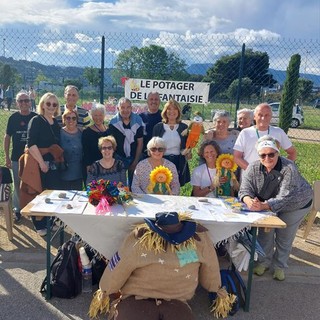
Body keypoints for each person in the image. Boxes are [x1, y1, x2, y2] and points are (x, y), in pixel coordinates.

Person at [89, 211, 232, 320]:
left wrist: (106, 289)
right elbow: (211, 270)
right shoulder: (198, 239)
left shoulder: (140, 239)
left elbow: (119, 267)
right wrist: (216, 288)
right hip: (177, 303)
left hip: (135, 301)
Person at [238, 135, 312, 281]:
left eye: (271, 154)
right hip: (267, 204)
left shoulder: (289, 167)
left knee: (284, 235)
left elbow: (285, 197)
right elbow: (244, 190)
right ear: (258, 155)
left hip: (296, 204)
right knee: (265, 231)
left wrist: (263, 206)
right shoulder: (253, 167)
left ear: (278, 152)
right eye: (263, 155)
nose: (267, 158)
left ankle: (279, 266)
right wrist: (248, 201)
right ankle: (263, 262)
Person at [22, 92, 63, 236]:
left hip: (53, 165)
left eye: (54, 104)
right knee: (38, 193)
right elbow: (31, 144)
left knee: (51, 194)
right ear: (42, 105)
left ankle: (49, 221)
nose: (51, 107)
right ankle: (38, 223)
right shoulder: (36, 120)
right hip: (39, 163)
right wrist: (41, 163)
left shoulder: (56, 123)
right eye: (48, 104)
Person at [3, 91, 37, 223]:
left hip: (32, 158)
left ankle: (33, 209)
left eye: (26, 100)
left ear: (30, 102)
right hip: (17, 157)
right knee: (17, 183)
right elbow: (7, 138)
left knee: (33, 184)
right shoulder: (13, 118)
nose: (24, 103)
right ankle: (18, 209)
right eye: (21, 101)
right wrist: (6, 156)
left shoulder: (35, 117)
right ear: (17, 103)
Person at [233, 103, 297, 171]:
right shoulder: (245, 133)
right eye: (260, 115)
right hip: (250, 176)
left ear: (271, 116)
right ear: (254, 117)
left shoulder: (278, 132)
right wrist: (252, 171)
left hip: (272, 177)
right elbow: (237, 157)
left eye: (267, 115)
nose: (263, 118)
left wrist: (282, 169)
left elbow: (292, 153)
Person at [153, 99, 190, 187]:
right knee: (161, 187)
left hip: (178, 161)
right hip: (162, 161)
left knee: (175, 188)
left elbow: (188, 146)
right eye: (169, 109)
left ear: (179, 111)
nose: (172, 111)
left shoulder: (184, 127)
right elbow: (153, 148)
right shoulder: (158, 127)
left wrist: (188, 152)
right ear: (165, 111)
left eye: (175, 109)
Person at [108, 97, 144, 187]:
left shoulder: (138, 120)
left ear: (131, 108)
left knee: (134, 185)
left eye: (128, 107)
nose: (125, 110)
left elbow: (140, 142)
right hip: (119, 156)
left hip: (134, 155)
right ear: (118, 109)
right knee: (120, 185)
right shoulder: (113, 123)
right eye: (122, 107)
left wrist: (135, 161)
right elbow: (112, 144)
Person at [82, 103, 109, 183]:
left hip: (107, 168)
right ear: (92, 116)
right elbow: (86, 152)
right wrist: (88, 168)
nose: (98, 118)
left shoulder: (109, 130)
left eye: (100, 115)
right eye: (95, 115)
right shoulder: (87, 132)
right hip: (92, 168)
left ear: (104, 115)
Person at [60, 110, 83, 190]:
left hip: (78, 174)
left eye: (74, 118)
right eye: (68, 118)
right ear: (64, 119)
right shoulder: (59, 133)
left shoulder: (81, 132)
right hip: (63, 173)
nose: (71, 120)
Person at [139, 92, 162, 156]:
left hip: (161, 153)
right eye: (151, 99)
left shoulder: (165, 116)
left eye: (156, 99)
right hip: (144, 153)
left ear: (159, 101)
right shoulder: (140, 117)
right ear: (147, 101)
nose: (154, 101)